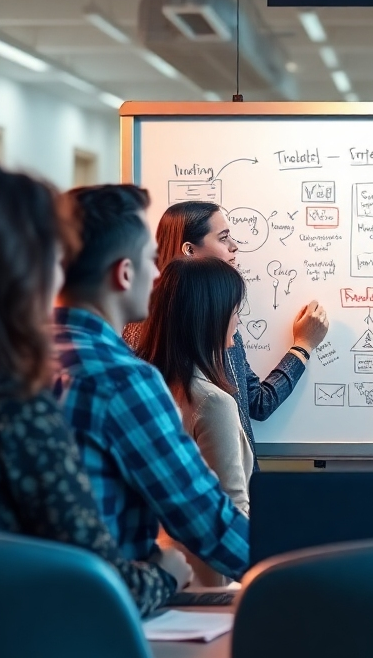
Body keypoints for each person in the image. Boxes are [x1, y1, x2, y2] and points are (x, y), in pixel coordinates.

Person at [0, 157, 190, 616]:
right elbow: (94, 586)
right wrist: (165, 573)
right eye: (52, 260)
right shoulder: (13, 412)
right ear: (17, 276)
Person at [53, 185, 249, 581]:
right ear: (125, 274)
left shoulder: (13, 358)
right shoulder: (124, 382)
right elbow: (208, 523)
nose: (160, 274)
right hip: (105, 612)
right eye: (151, 260)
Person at [126, 201, 328, 456]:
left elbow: (257, 404)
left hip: (239, 484)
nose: (235, 246)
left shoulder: (223, 329)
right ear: (189, 250)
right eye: (223, 238)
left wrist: (302, 347)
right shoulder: (141, 331)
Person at [138, 258, 252, 585]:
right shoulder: (212, 403)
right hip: (209, 585)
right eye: (234, 308)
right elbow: (232, 510)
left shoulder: (154, 392)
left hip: (163, 573)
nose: (238, 319)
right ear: (212, 316)